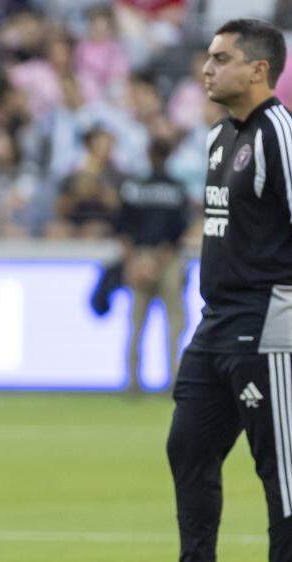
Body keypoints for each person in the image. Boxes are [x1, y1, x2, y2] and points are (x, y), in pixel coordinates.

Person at [122, 20, 292, 562]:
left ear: (258, 70)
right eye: (207, 58)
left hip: (269, 322)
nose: (206, 70)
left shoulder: (282, 135)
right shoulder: (222, 139)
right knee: (187, 450)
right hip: (216, 321)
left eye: (221, 59)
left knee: (279, 464)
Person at [117, 138, 189, 394]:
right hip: (164, 257)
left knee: (138, 322)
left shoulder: (134, 187)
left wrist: (135, 261)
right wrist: (151, 260)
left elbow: (123, 228)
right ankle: (172, 380)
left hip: (146, 256)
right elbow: (180, 230)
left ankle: (133, 381)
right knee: (172, 323)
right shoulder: (176, 188)